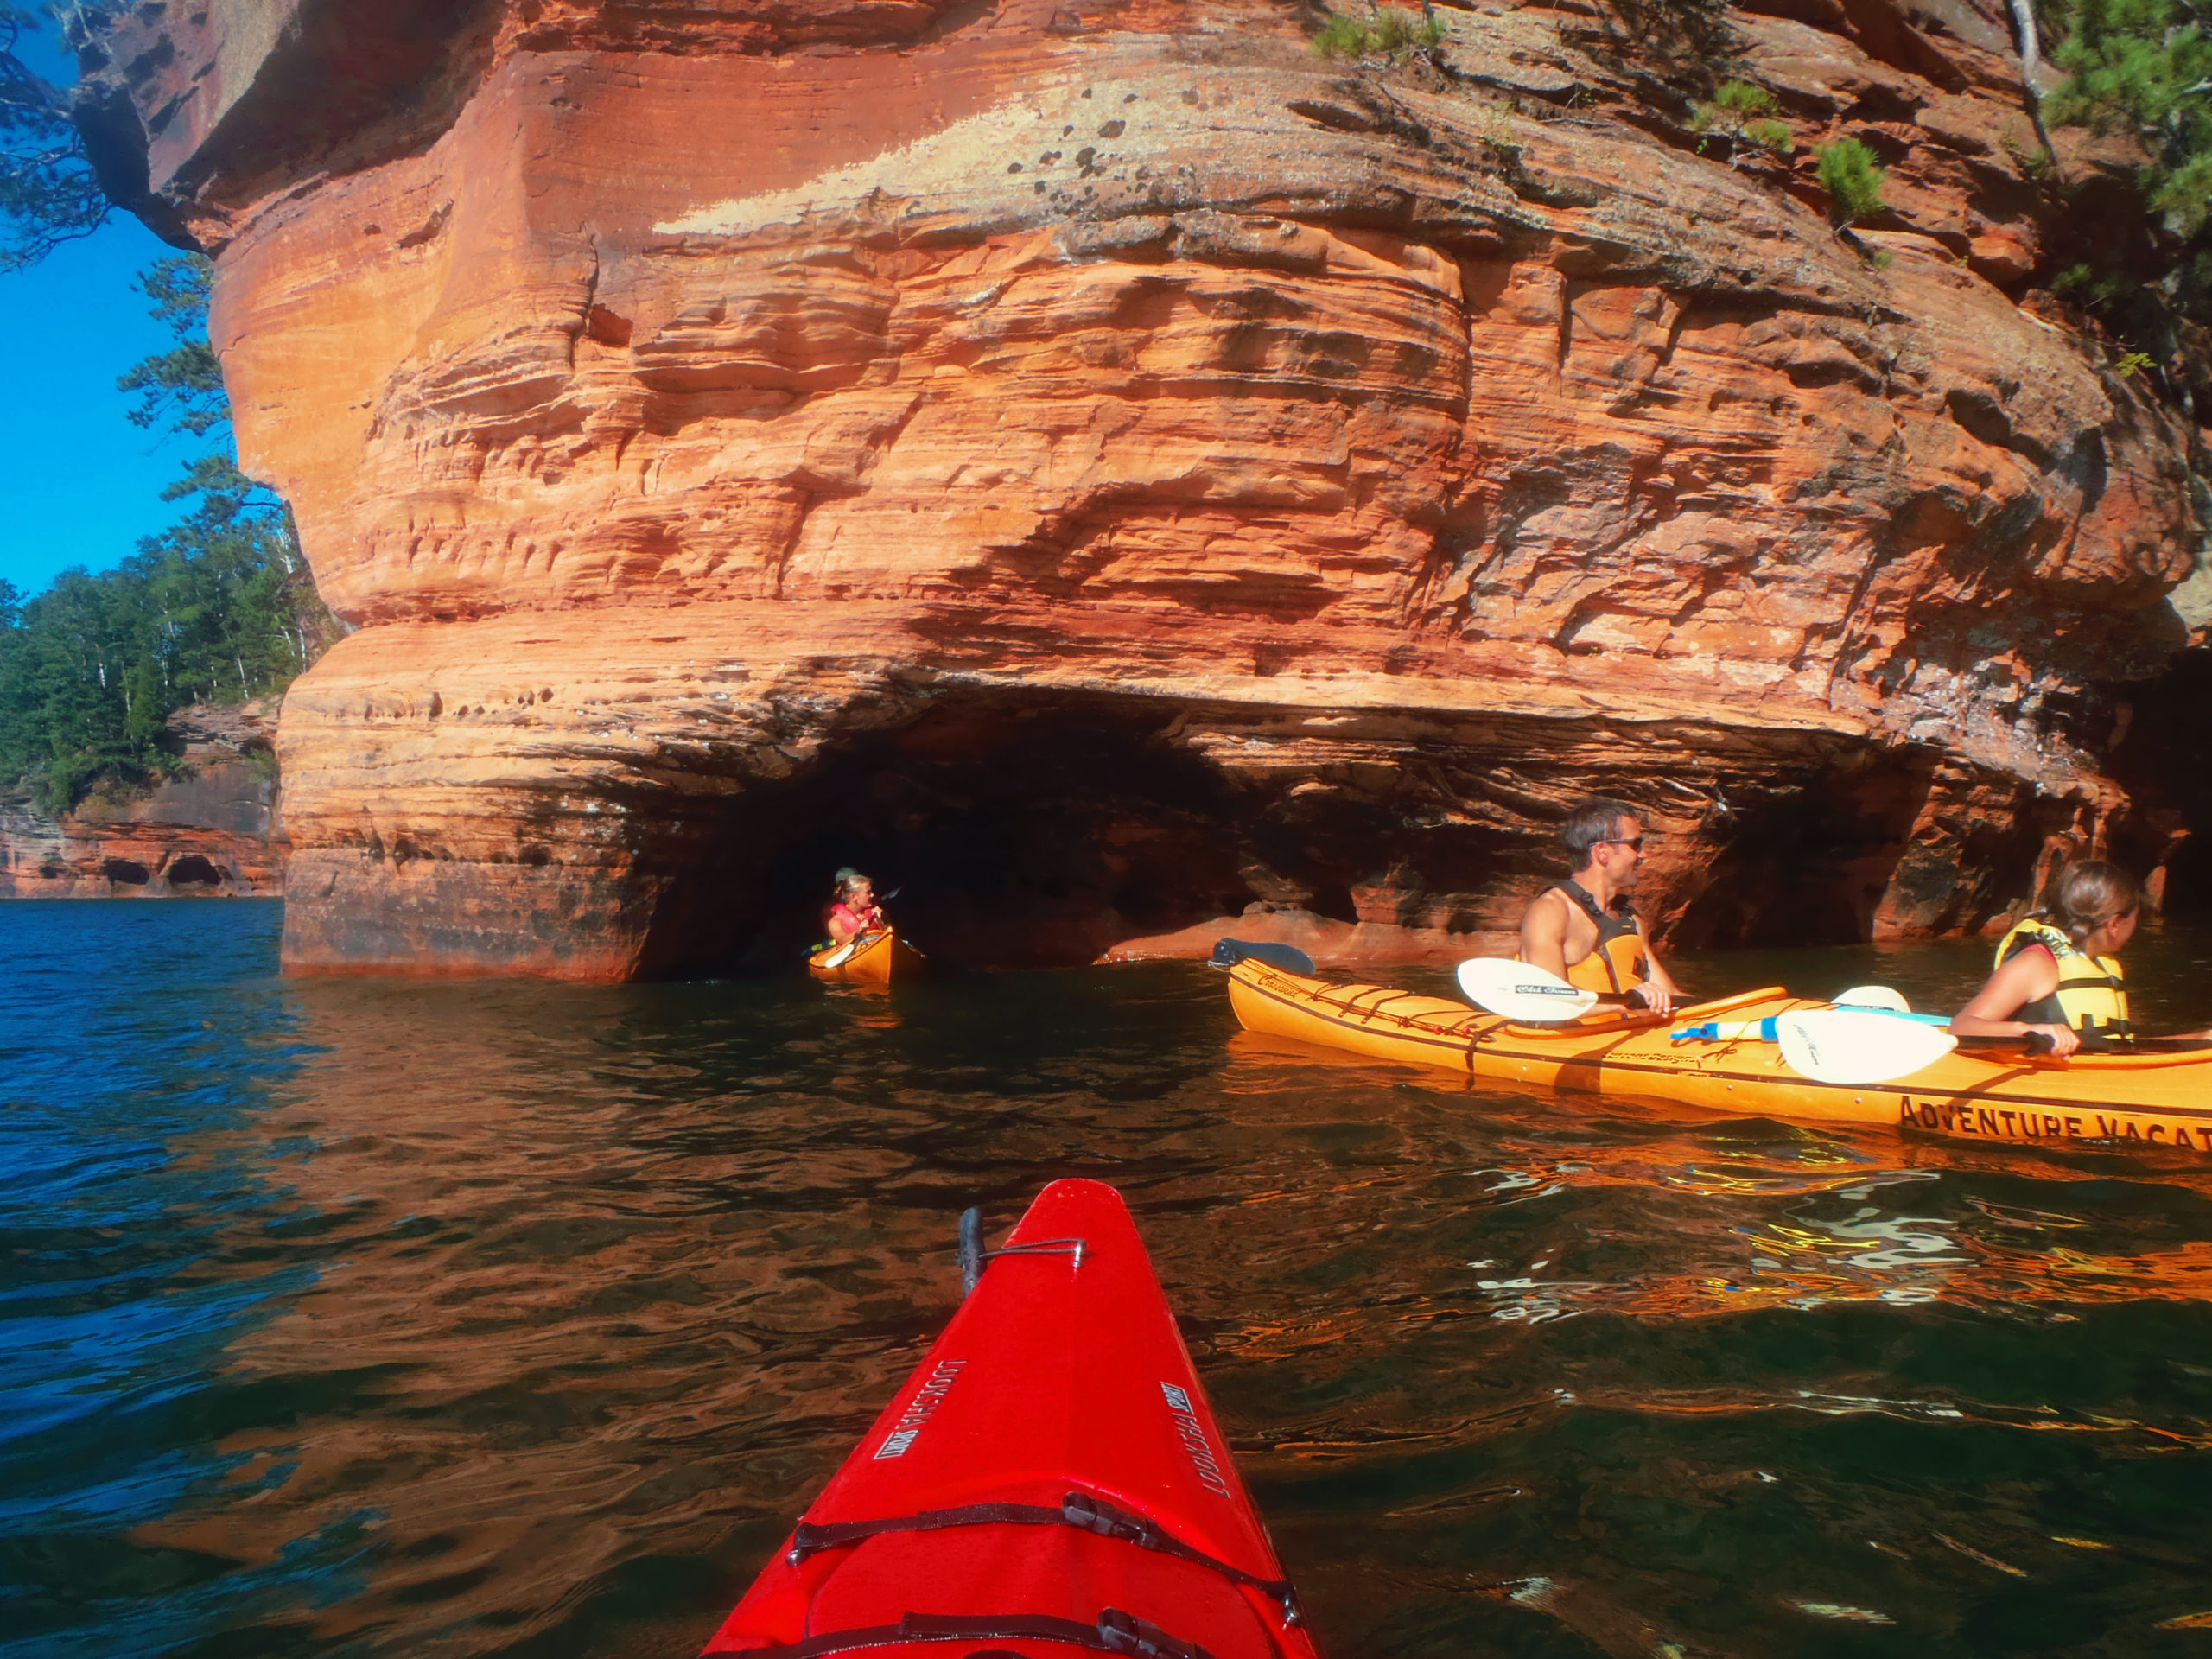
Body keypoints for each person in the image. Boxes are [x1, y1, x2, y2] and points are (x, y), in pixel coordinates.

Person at [1952, 860, 2209, 1055]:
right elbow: (1961, 1027)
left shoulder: (2099, 964)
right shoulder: (2036, 964)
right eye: (2135, 918)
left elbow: (2119, 1051)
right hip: (2050, 1082)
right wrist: (2028, 1030)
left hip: (2101, 1075)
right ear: (2115, 924)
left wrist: (2199, 1039)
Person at [1518, 798, 1681, 1016]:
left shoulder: (1631, 920)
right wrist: (1626, 1003)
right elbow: (1550, 997)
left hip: (1628, 1036)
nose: (1643, 854)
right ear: (1602, 852)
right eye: (1635, 844)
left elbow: (1671, 994)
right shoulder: (1551, 911)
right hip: (1573, 1041)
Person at [825, 868, 888, 945]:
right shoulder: (835, 922)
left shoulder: (876, 910)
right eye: (868, 892)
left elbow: (890, 934)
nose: (872, 895)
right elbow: (842, 940)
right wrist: (859, 931)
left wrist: (881, 921)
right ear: (854, 897)